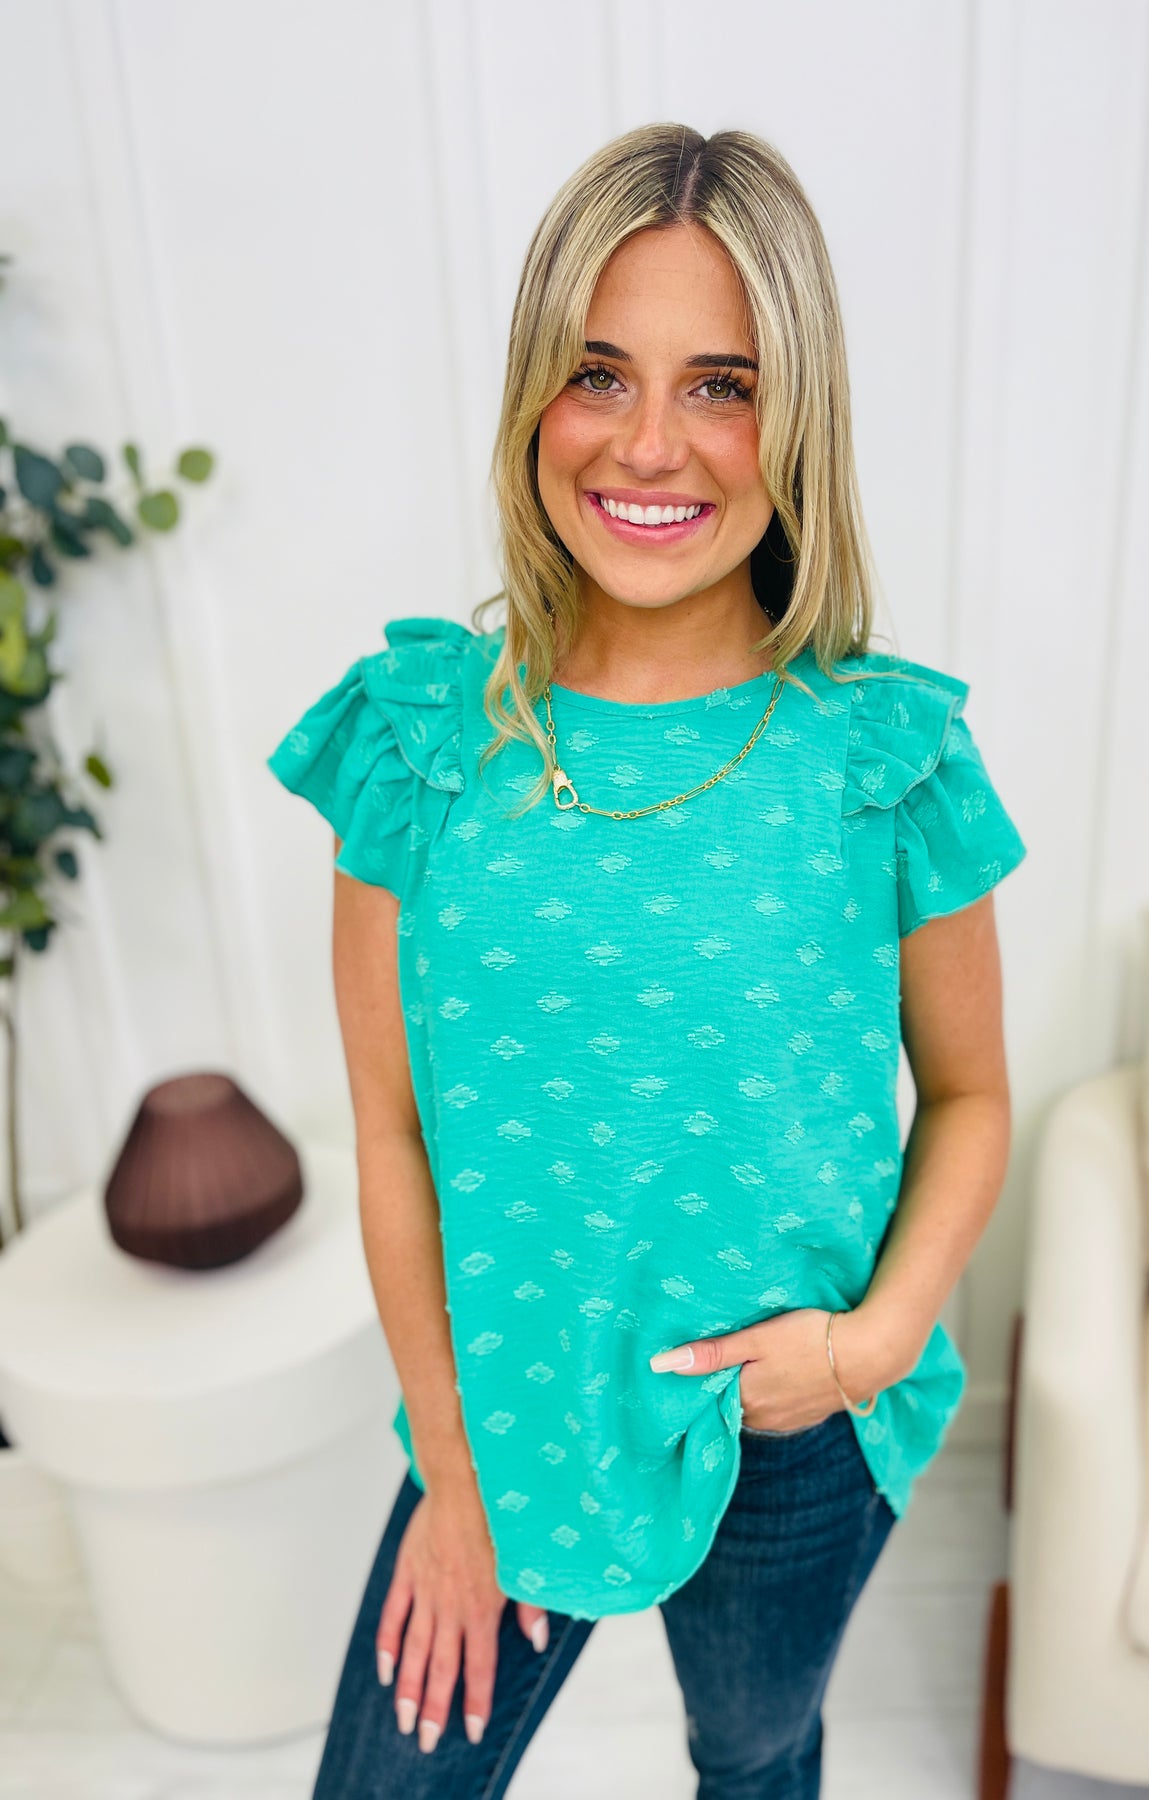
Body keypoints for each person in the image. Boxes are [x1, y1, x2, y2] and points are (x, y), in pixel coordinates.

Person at [267, 121, 1028, 1800]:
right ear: (536, 396)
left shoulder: (880, 760)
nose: (650, 442)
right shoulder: (420, 744)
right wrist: (448, 1474)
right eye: (599, 372)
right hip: (502, 1417)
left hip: (787, 1429)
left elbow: (971, 1098)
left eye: (721, 385)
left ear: (794, 418)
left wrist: (865, 1349)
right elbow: (390, 1132)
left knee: (752, 1758)